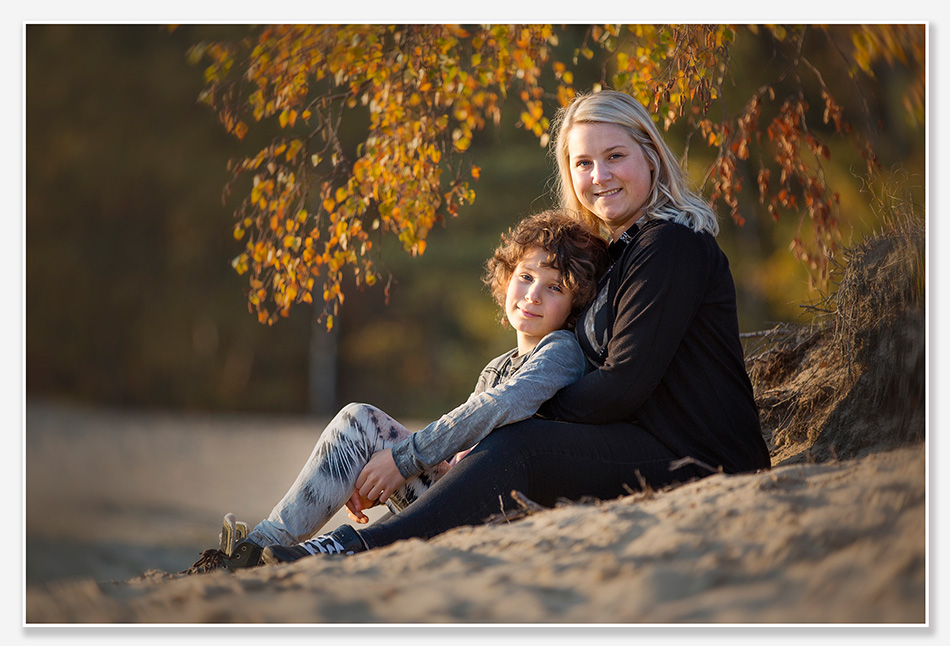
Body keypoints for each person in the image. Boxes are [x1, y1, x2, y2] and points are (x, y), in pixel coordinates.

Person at [246, 88, 771, 563]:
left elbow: (623, 386)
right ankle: (257, 545)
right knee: (366, 425)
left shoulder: (671, 245)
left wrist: (513, 417)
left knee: (521, 444)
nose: (599, 176)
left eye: (615, 156)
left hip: (702, 459)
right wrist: (464, 443)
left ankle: (353, 546)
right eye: (583, 162)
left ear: (651, 156)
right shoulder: (613, 255)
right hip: (636, 446)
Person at [185, 209, 610, 573]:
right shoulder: (497, 365)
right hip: (457, 495)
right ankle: (255, 548)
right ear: (506, 278)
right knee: (358, 422)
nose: (533, 295)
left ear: (575, 302)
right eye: (526, 276)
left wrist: (402, 461)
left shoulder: (562, 351)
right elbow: (459, 454)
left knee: (365, 424)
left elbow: (501, 405)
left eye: (555, 287)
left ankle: (257, 549)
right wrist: (377, 471)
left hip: (504, 510)